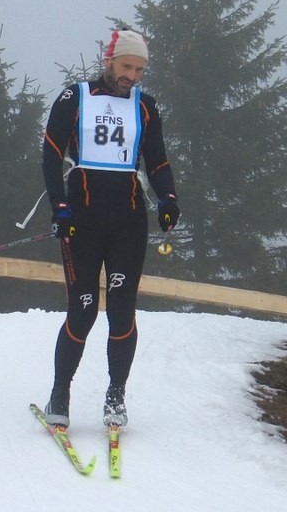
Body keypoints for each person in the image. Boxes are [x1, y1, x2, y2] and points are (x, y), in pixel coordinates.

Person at [41, 29, 180, 428]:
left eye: (139, 70)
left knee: (121, 312)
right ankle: (60, 391)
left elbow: (157, 161)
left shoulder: (145, 107)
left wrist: (169, 199)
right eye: (126, 67)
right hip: (81, 221)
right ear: (109, 60)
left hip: (128, 222)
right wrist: (59, 205)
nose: (131, 76)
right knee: (83, 310)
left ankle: (116, 394)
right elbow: (51, 154)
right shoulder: (76, 97)